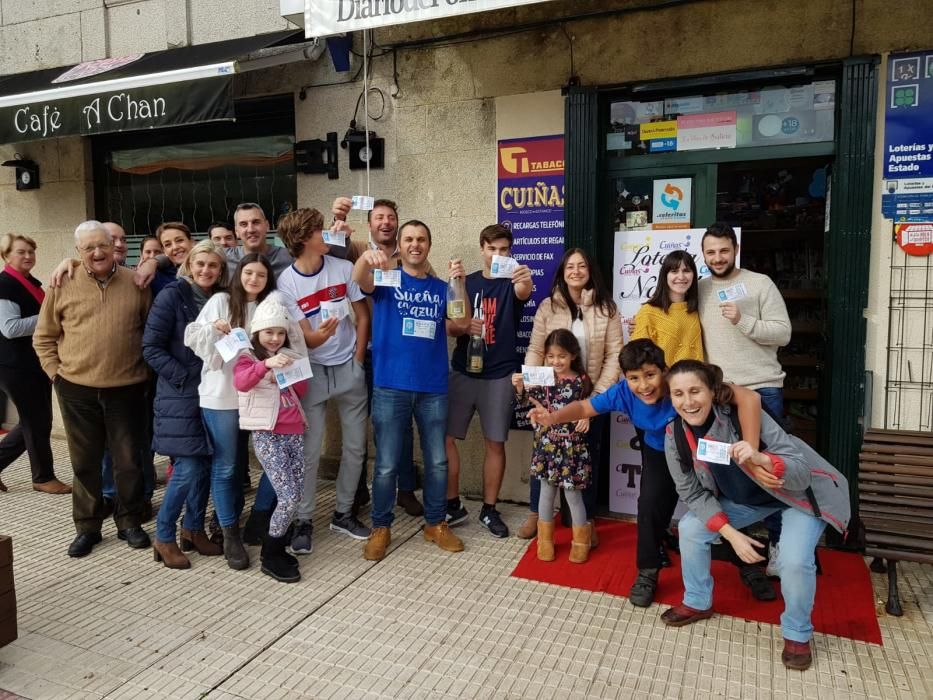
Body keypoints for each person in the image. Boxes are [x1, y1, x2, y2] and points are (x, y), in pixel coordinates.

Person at [528, 339, 762, 606]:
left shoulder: (681, 382)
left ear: (664, 370)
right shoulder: (623, 393)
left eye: (650, 375)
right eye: (634, 378)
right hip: (659, 452)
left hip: (704, 449)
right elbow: (584, 408)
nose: (644, 385)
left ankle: (749, 565)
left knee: (724, 503)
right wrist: (553, 417)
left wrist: (752, 448)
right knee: (649, 507)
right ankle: (648, 573)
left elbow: (750, 397)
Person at [660, 360, 850, 672]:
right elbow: (692, 494)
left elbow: (801, 474)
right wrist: (731, 535)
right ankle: (697, 600)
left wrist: (763, 458)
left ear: (712, 392)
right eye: (678, 393)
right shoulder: (676, 435)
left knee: (793, 560)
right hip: (751, 502)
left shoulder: (744, 417)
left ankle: (797, 633)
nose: (688, 401)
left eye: (695, 391)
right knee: (692, 527)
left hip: (798, 496)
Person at [33, 221, 152, 558]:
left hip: (127, 389)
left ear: (116, 247)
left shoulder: (136, 282)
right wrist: (57, 376)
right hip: (76, 391)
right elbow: (43, 337)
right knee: (84, 463)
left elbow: (149, 331)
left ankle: (129, 521)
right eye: (89, 248)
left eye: (103, 245)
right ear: (78, 253)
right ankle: (87, 527)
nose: (98, 252)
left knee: (128, 462)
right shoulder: (62, 283)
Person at [352, 219, 469, 561]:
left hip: (433, 387)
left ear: (428, 246)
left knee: (436, 462)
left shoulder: (439, 287)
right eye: (409, 239)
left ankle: (435, 523)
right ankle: (380, 527)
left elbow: (461, 324)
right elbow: (360, 281)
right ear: (400, 247)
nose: (415, 244)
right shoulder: (388, 279)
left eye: (421, 239)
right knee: (386, 463)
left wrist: (458, 284)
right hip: (390, 386)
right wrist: (366, 259)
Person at [185, 255, 303, 568]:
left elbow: (294, 343)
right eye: (248, 272)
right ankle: (229, 532)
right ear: (239, 274)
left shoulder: (272, 305)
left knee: (274, 463)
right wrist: (214, 330)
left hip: (264, 400)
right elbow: (194, 337)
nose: (253, 279)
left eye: (261, 274)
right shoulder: (222, 300)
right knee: (227, 466)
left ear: (269, 279)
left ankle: (260, 520)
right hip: (223, 396)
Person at [276, 208, 371, 553]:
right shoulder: (286, 282)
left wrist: (358, 360)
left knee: (356, 447)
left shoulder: (344, 268)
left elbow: (363, 317)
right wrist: (321, 336)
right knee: (310, 451)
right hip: (311, 372)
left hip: (348, 367)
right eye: (320, 231)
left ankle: (344, 513)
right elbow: (306, 339)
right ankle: (303, 520)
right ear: (304, 240)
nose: (327, 235)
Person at [699, 222, 792, 573]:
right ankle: (735, 539)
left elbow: (783, 334)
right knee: (725, 467)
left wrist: (744, 320)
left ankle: (779, 544)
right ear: (703, 254)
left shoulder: (759, 284)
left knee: (769, 468)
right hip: (721, 394)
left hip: (762, 388)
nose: (718, 257)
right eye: (711, 252)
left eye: (724, 250)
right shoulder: (701, 288)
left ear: (735, 249)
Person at [333, 196, 430, 518]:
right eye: (379, 217)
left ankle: (405, 489)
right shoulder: (357, 248)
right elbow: (331, 250)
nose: (385, 222)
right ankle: (359, 490)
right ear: (370, 222)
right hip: (366, 351)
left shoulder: (410, 255)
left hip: (400, 355)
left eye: (390, 217)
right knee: (362, 423)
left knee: (399, 427)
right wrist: (338, 217)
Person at [518, 248, 623, 541]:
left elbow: (615, 353)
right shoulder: (548, 307)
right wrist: (533, 391)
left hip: (589, 398)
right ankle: (536, 515)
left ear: (591, 271)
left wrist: (597, 399)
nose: (576, 271)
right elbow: (537, 349)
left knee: (585, 460)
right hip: (551, 399)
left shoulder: (607, 309)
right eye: (570, 267)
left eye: (582, 266)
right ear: (562, 273)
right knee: (543, 456)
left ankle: (584, 521)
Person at [143, 241, 228, 569]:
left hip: (212, 394)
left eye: (213, 265)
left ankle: (192, 529)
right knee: (189, 466)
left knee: (206, 465)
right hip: (179, 395)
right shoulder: (173, 296)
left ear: (221, 270)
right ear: (189, 264)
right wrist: (185, 376)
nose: (206, 270)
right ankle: (164, 535)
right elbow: (151, 347)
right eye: (201, 263)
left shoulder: (219, 300)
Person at [444, 224, 532, 537]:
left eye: (504, 249)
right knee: (447, 439)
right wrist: (459, 289)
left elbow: (525, 292)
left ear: (510, 252)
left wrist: (525, 281)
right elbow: (452, 326)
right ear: (482, 249)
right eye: (492, 249)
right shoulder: (468, 282)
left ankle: (489, 509)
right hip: (463, 371)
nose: (497, 255)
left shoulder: (514, 282)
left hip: (500, 374)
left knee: (495, 443)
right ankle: (452, 503)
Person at [233, 293, 309, 583]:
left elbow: (299, 392)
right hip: (267, 434)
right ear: (257, 332)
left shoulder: (289, 355)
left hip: (294, 432)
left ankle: (276, 543)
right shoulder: (248, 358)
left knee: (296, 493)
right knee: (288, 496)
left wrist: (293, 369)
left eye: (280, 332)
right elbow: (242, 382)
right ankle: (271, 552)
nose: (275, 338)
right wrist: (267, 365)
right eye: (268, 332)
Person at [513, 330, 593, 562]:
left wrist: (587, 416)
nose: (556, 361)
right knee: (546, 493)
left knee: (573, 495)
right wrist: (519, 386)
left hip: (572, 447)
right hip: (547, 445)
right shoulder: (542, 378)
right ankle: (545, 540)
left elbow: (591, 405)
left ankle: (581, 540)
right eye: (551, 356)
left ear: (573, 356)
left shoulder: (581, 381)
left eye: (562, 356)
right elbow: (526, 400)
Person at [0, 233, 69, 494]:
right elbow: (10, 328)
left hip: (33, 363)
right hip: (15, 365)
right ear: (6, 256)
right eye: (21, 252)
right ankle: (42, 477)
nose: (28, 256)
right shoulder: (5, 284)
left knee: (33, 421)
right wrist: (49, 316)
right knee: (36, 421)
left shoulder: (30, 283)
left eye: (31, 251)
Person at [631, 250, 704, 365]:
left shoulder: (698, 307)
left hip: (696, 380)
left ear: (694, 275)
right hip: (665, 381)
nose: (681, 276)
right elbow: (638, 359)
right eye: (674, 271)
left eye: (686, 271)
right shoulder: (648, 312)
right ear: (665, 275)